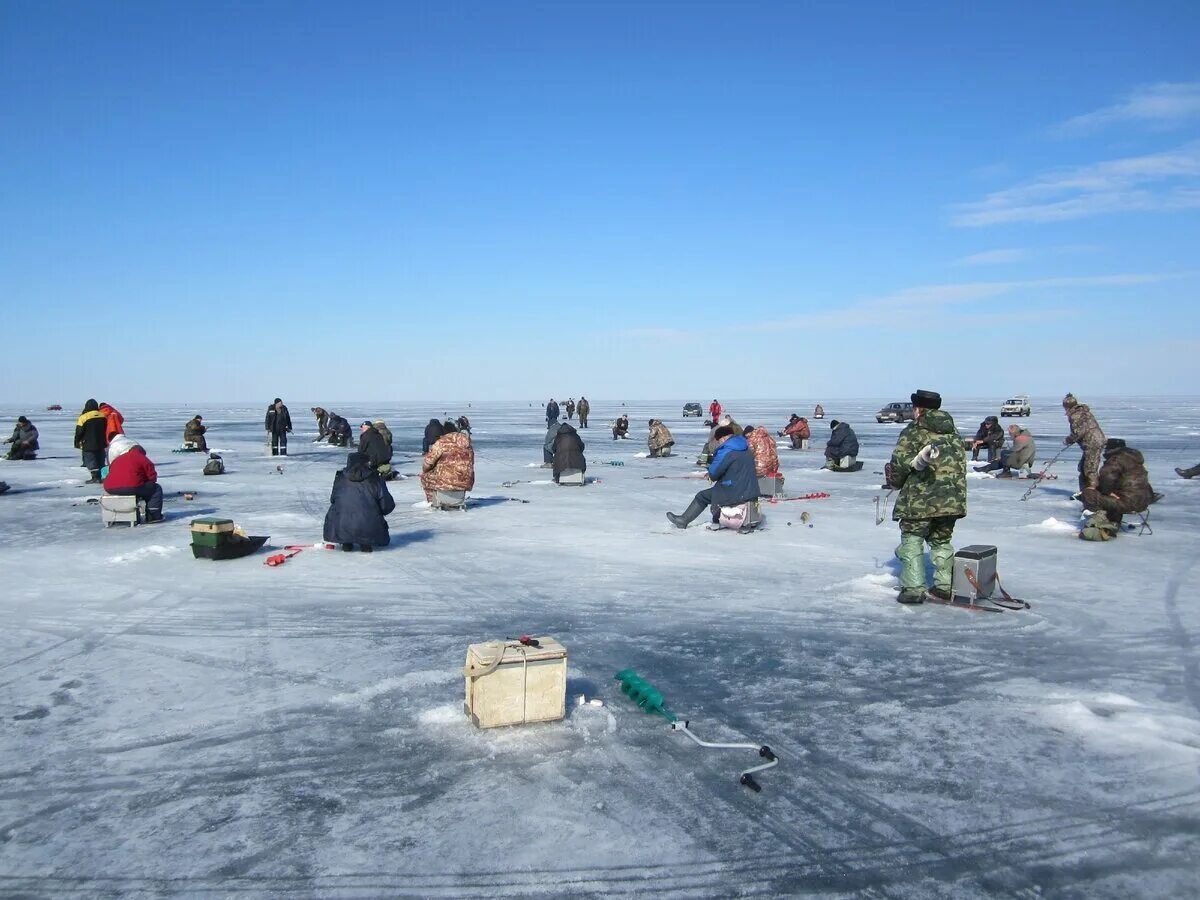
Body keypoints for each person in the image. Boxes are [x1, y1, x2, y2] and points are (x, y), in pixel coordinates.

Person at [886, 389, 967, 604]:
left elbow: (900, 464)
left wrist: (895, 482)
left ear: (918, 409)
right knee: (942, 540)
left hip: (919, 500)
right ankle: (944, 586)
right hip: (952, 499)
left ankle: (913, 588)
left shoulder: (914, 431)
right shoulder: (952, 432)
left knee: (912, 540)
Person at [667, 425, 758, 529]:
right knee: (717, 490)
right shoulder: (745, 446)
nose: (718, 443)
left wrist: (711, 466)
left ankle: (683, 520)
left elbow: (714, 474)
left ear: (723, 438)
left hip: (735, 491)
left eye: (718, 441)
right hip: (751, 491)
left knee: (702, 496)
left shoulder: (726, 449)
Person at [1079, 439, 1157, 540]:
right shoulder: (1135, 460)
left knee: (1088, 494)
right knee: (1114, 495)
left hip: (1128, 503)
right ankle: (1113, 521)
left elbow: (1107, 476)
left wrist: (1105, 491)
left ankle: (1099, 522)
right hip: (1142, 502)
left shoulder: (1116, 459)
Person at [323, 452, 396, 551]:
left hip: (341, 527)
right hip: (369, 528)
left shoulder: (340, 478)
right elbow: (386, 506)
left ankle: (346, 542)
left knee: (340, 510)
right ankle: (366, 543)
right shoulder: (375, 479)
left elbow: (333, 499)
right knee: (367, 517)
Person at [103, 435, 164, 522]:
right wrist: (146, 483)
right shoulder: (142, 457)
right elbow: (152, 477)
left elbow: (111, 471)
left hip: (110, 488)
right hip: (132, 487)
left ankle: (116, 516)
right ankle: (153, 516)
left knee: (135, 487)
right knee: (156, 489)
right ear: (141, 452)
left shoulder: (118, 458)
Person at [421, 421, 475, 502]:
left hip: (445, 482)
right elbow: (471, 462)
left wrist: (427, 470)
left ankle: (432, 501)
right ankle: (458, 499)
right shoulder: (467, 444)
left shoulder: (441, 443)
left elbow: (428, 463)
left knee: (424, 477)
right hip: (465, 482)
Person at [1063, 393, 1105, 493]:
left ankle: (1092, 493)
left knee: (1089, 469)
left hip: (1092, 442)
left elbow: (1078, 432)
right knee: (1083, 467)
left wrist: (1069, 440)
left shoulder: (1075, 415)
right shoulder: (1083, 412)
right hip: (1096, 440)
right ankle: (1086, 491)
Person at [74, 399, 109, 483]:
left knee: (91, 460)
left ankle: (95, 478)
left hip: (88, 444)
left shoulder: (84, 417)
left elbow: (79, 431)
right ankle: (102, 477)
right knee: (100, 460)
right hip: (101, 443)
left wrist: (76, 442)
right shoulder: (103, 415)